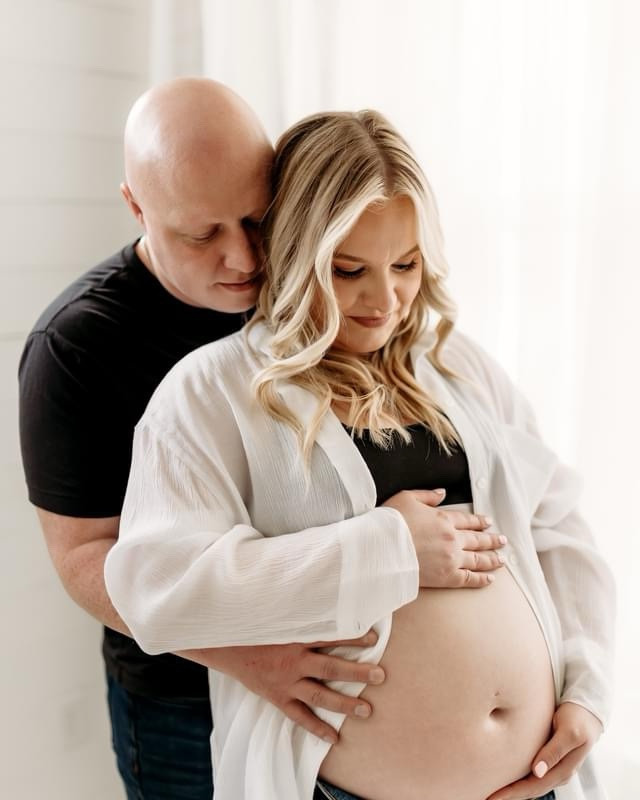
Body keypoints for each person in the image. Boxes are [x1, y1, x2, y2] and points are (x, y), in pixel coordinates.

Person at [105, 109, 615, 800]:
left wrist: (587, 691)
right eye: (348, 271)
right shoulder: (211, 393)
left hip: (533, 781)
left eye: (405, 264)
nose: (385, 300)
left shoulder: (458, 366)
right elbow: (158, 591)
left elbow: (560, 534)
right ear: (293, 252)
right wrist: (388, 548)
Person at [17, 80, 459, 800]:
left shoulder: (304, 289)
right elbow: (86, 557)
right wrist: (250, 656)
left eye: (259, 218)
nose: (245, 259)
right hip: (181, 689)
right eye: (203, 233)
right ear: (136, 205)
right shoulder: (77, 346)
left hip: (323, 693)